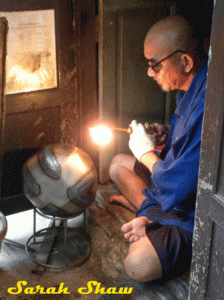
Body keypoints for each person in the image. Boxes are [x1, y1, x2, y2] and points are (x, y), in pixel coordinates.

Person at [109, 15, 208, 282]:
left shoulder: (211, 104)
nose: (150, 73)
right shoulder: (191, 86)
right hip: (174, 188)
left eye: (155, 65)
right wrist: (167, 130)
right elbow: (185, 146)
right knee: (117, 164)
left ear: (185, 61)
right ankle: (150, 213)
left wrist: (146, 153)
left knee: (138, 264)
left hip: (193, 209)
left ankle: (150, 215)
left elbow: (180, 184)